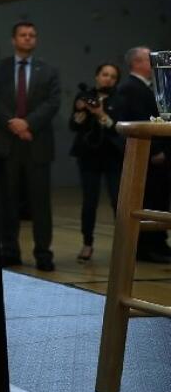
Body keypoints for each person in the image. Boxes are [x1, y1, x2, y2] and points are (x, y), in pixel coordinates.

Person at [0, 21, 61, 272]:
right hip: (6, 145)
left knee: (40, 204)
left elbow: (53, 103)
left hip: (36, 144)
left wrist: (27, 123)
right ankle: (9, 250)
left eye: (32, 35)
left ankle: (43, 253)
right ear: (13, 40)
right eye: (23, 35)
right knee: (7, 203)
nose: (28, 38)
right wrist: (13, 124)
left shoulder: (49, 71)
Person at [109, 46, 169, 263]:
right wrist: (154, 151)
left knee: (159, 200)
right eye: (148, 59)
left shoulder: (149, 87)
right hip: (148, 156)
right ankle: (148, 247)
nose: (153, 63)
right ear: (136, 63)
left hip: (157, 156)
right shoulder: (129, 88)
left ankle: (158, 243)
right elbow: (134, 123)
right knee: (150, 200)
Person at [68, 62, 122, 262]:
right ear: (96, 76)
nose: (108, 78)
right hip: (88, 156)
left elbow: (118, 128)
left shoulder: (120, 99)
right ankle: (87, 243)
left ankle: (122, 245)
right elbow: (73, 125)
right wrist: (81, 112)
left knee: (118, 202)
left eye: (113, 76)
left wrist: (101, 114)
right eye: (104, 74)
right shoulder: (85, 96)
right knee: (89, 202)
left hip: (113, 156)